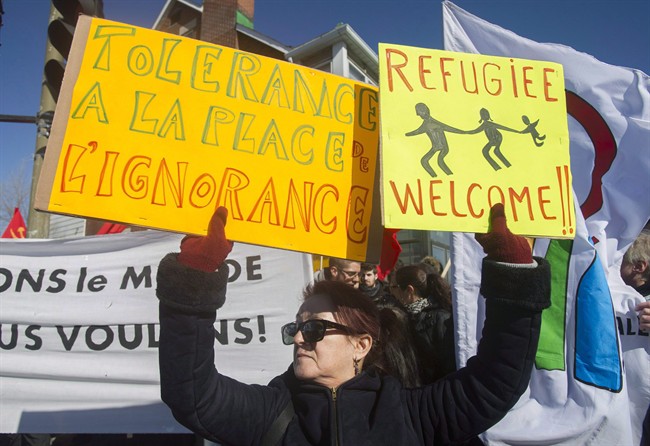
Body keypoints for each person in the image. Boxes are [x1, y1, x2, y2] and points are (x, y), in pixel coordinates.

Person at [156, 203, 551, 445]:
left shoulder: (412, 413)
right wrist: (196, 275)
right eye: (295, 328)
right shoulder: (271, 411)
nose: (297, 337)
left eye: (313, 329)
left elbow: (495, 382)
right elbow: (193, 394)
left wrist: (512, 271)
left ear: (361, 344)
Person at [391, 264, 456, 383]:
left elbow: (448, 366)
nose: (392, 292)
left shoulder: (441, 318)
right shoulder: (403, 317)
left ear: (409, 290)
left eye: (395, 287)